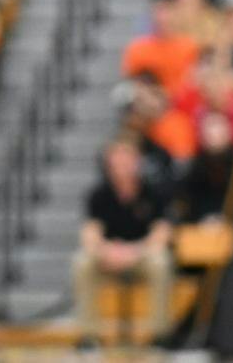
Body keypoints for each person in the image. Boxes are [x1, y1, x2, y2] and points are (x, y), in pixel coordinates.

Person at [73, 138, 176, 346]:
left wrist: (135, 251)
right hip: (109, 257)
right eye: (117, 161)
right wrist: (107, 250)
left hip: (142, 255)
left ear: (137, 162)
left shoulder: (153, 192)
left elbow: (162, 232)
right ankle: (89, 335)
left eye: (127, 159)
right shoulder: (99, 195)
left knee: (161, 261)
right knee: (82, 261)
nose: (122, 166)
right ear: (108, 165)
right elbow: (90, 233)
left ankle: (160, 334)